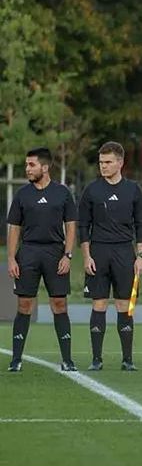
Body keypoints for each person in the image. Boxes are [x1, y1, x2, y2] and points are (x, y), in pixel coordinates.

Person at [6, 148, 77, 372]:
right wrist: (11, 259)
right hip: (28, 252)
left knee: (59, 304)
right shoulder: (22, 195)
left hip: (55, 253)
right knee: (24, 304)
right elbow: (14, 228)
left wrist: (67, 255)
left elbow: (71, 226)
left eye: (32, 165)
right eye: (26, 165)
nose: (27, 169)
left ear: (45, 167)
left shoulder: (63, 193)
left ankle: (67, 360)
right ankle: (16, 360)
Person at [79, 141, 142, 371]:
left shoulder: (133, 190)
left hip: (124, 252)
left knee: (123, 305)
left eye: (108, 162)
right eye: (101, 162)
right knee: (99, 303)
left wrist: (140, 256)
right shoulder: (91, 190)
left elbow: (141, 225)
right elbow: (83, 226)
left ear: (120, 163)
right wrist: (86, 256)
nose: (103, 166)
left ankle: (127, 360)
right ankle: (96, 359)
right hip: (98, 251)